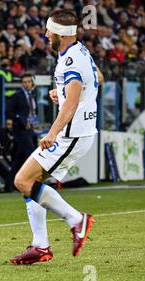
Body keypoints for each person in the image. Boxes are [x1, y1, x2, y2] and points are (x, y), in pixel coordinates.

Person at [10, 10, 104, 265]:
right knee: (32, 181)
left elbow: (71, 105)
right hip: (80, 132)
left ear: (59, 35)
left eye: (49, 31)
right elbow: (98, 79)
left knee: (22, 180)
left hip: (70, 135)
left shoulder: (70, 61)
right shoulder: (80, 50)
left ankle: (77, 220)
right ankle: (40, 246)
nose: (46, 34)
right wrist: (61, 92)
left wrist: (52, 133)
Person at [6, 73, 38, 191]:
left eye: (28, 82)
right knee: (32, 155)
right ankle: (32, 182)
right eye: (24, 82)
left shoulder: (32, 95)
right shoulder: (17, 96)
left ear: (32, 82)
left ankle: (10, 184)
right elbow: (9, 111)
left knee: (19, 158)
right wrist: (22, 121)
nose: (26, 84)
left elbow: (33, 111)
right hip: (21, 130)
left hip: (30, 130)